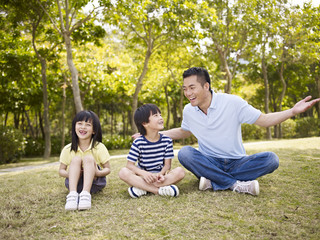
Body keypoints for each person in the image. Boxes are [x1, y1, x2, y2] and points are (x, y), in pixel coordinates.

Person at [160, 67, 320, 196]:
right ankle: (235, 184)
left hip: (237, 162)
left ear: (206, 86)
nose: (188, 93)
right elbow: (184, 131)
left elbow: (264, 120)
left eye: (192, 88)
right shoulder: (189, 110)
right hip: (208, 161)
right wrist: (155, 134)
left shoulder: (232, 102)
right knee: (185, 153)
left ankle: (213, 181)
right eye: (185, 89)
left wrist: (292, 111)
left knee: (271, 159)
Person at [119, 104, 185, 198]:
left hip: (161, 177)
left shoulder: (167, 141)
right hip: (143, 177)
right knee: (123, 172)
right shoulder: (138, 142)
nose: (161, 118)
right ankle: (158, 191)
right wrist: (145, 174)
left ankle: (142, 188)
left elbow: (167, 165)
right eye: (156, 115)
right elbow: (129, 165)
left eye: (160, 115)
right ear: (145, 123)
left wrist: (160, 175)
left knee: (180, 171)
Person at [59, 110, 111, 210]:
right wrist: (72, 173)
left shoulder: (99, 147)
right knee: (76, 160)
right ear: (74, 127)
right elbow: (61, 170)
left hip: (95, 183)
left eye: (88, 125)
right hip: (75, 184)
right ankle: (72, 195)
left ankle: (86, 195)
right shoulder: (67, 149)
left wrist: (97, 172)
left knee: (88, 159)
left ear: (94, 130)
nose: (83, 127)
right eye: (79, 123)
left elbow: (107, 169)